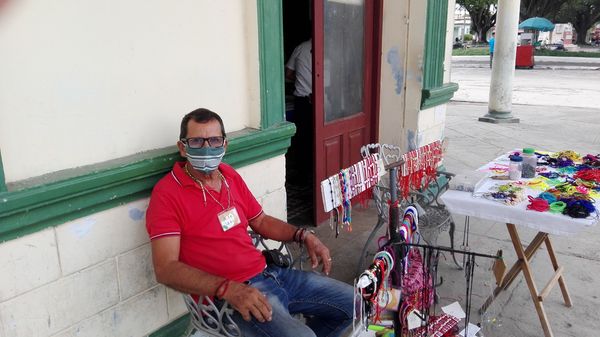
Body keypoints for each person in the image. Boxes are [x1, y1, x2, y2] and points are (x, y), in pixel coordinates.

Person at [146, 108, 354, 337]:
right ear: (182, 147)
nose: (207, 148)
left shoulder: (229, 176)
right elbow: (165, 269)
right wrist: (227, 288)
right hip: (228, 298)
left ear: (224, 145)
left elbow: (261, 220)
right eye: (196, 141)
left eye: (214, 141)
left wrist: (303, 235)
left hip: (271, 275)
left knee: (354, 303)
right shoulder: (167, 193)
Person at [285, 39, 313, 179]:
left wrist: (301, 78)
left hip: (303, 101)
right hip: (325, 99)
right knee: (320, 137)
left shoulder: (300, 48)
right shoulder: (330, 48)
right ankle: (318, 171)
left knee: (302, 138)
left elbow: (288, 73)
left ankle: (303, 174)